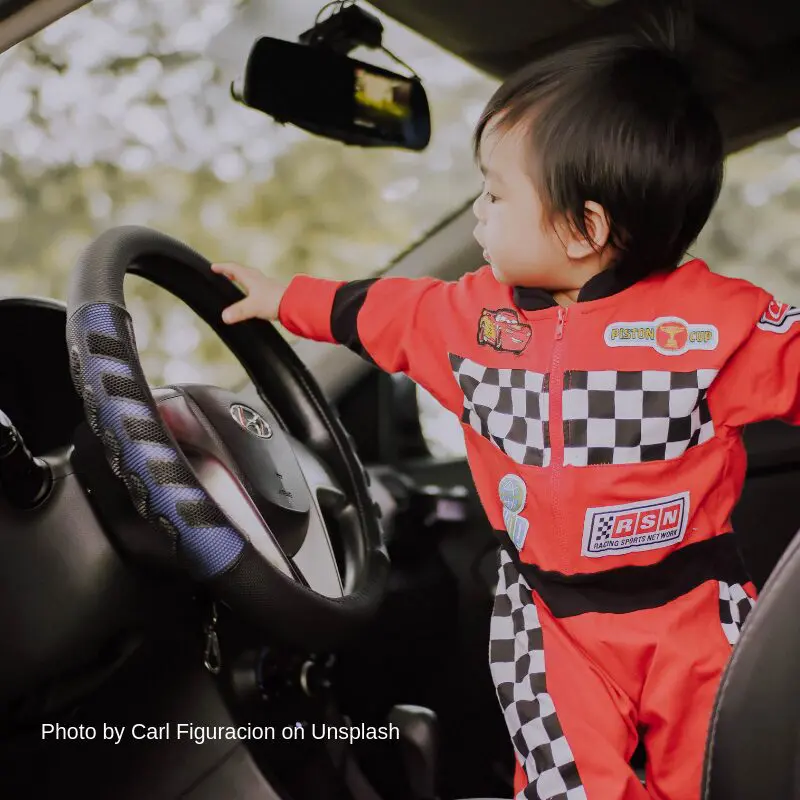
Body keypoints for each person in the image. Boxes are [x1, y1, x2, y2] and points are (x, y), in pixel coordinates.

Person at [210, 32, 800, 800]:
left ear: (584, 229)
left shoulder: (711, 326)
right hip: (548, 618)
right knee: (565, 782)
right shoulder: (468, 319)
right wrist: (283, 299)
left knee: (718, 775)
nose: (480, 214)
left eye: (493, 194)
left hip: (689, 607)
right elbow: (379, 311)